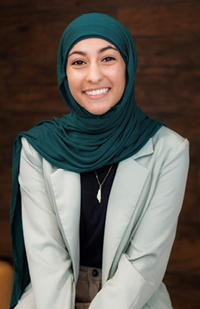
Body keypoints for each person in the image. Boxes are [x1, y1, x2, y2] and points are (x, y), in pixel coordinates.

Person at [10, 13, 189, 309]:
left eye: (108, 59)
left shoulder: (169, 150)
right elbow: (46, 256)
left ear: (128, 66)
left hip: (134, 300)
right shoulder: (38, 148)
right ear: (64, 73)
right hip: (51, 299)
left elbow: (146, 262)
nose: (94, 76)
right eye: (79, 62)